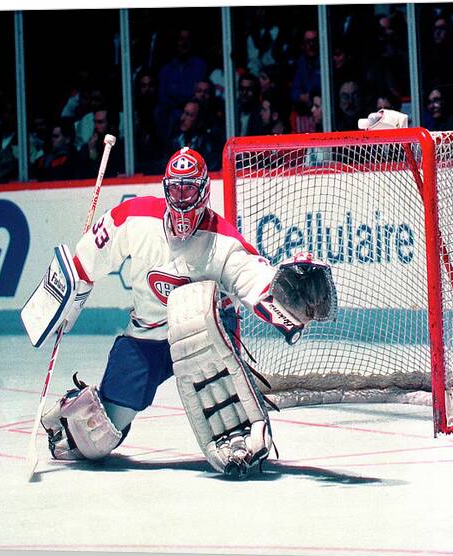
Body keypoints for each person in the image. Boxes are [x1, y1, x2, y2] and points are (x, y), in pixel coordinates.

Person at [29, 147, 336, 478]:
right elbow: (85, 261)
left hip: (204, 339)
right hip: (146, 335)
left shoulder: (222, 242)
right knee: (96, 437)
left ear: (204, 190)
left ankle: (242, 422)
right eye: (175, 188)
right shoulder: (133, 218)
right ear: (165, 189)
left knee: (232, 409)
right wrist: (71, 294)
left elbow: (254, 278)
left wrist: (283, 297)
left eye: (189, 188)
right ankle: (77, 406)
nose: (181, 197)